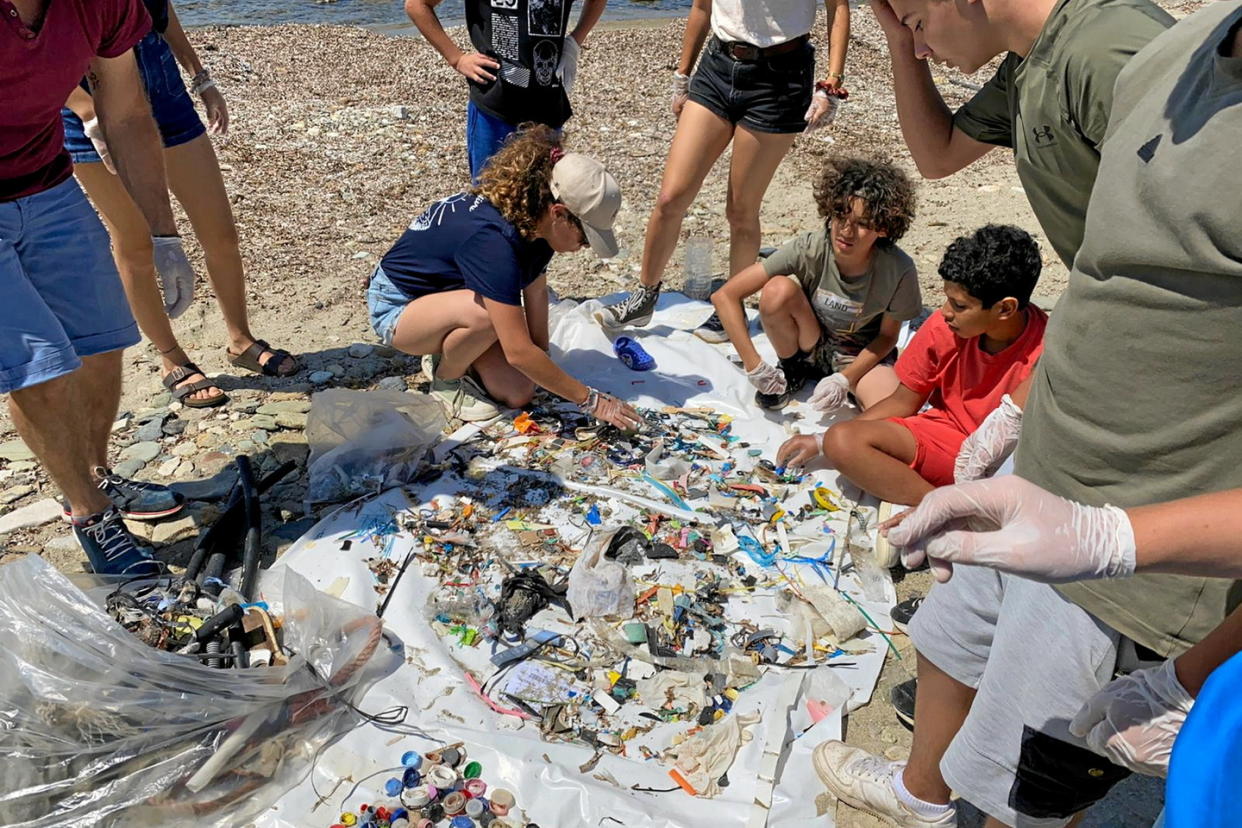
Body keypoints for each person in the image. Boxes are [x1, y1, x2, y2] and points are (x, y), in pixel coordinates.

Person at [812, 3, 1242, 826]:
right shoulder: (1165, 55)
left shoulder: (1111, 47)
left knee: (1039, 759)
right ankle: (921, 794)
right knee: (951, 636)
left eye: (912, 12)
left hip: (1142, 491)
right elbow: (944, 160)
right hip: (1057, 448)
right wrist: (903, 47)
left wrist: (1129, 557)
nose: (914, 32)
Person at [2, 0, 194, 576]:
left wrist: (162, 232)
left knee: (101, 343)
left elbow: (128, 113)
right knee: (40, 366)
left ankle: (93, 474)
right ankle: (91, 515)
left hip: (48, 184)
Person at [61, 0, 299, 410]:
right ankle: (172, 358)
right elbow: (25, 44)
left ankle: (240, 338)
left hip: (160, 81)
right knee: (135, 244)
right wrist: (86, 111)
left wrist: (200, 77)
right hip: (86, 99)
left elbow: (160, 8)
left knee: (220, 233)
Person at [594, 0, 849, 332]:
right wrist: (682, 76)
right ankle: (643, 298)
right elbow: (701, 7)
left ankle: (732, 308)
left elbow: (839, 7)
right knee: (671, 197)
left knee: (741, 210)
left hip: (781, 77)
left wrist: (831, 83)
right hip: (717, 66)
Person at [367, 125, 642, 432]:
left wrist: (544, 361)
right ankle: (446, 379)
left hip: (454, 295)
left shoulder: (535, 221)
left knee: (518, 392)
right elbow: (517, 351)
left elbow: (536, 294)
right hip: (399, 307)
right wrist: (592, 402)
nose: (586, 247)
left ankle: (454, 347)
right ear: (559, 213)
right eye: (586, 236)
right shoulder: (493, 242)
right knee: (485, 317)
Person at [873, 0, 1171, 269]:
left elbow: (1197, 207)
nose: (920, 50)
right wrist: (899, 41)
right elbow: (937, 156)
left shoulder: (1101, 52)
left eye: (918, 25)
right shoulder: (1028, 59)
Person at [777, 225, 1045, 506]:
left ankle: (945, 510)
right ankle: (941, 504)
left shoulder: (1048, 352)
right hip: (941, 436)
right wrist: (821, 441)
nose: (945, 311)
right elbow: (904, 401)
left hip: (999, 464)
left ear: (1005, 309)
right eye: (946, 298)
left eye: (960, 305)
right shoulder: (947, 327)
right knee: (840, 440)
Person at [710, 156, 920, 411]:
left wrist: (845, 378)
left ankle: (850, 390)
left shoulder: (899, 269)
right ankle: (793, 367)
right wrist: (754, 365)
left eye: (862, 224)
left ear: (884, 228)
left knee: (891, 412)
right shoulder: (809, 247)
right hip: (810, 341)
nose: (846, 231)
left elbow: (888, 337)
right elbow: (725, 296)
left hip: (858, 354)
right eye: (841, 215)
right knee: (777, 289)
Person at [406, 0, 608, 180]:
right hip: (495, 107)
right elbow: (417, 5)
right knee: (489, 196)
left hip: (548, 106)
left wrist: (574, 41)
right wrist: (456, 58)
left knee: (542, 197)